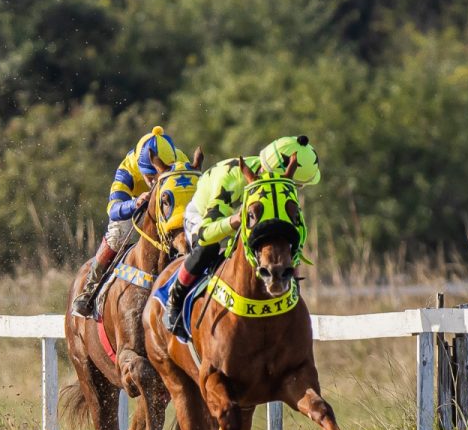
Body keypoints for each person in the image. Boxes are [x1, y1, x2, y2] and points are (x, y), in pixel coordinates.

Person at [162, 135, 320, 335]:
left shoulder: (278, 184)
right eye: (297, 185)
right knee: (209, 248)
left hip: (247, 219)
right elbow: (205, 233)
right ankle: (175, 298)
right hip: (204, 218)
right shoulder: (229, 180)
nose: (293, 190)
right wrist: (236, 220)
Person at [72, 126, 190, 318]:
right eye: (151, 177)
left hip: (169, 207)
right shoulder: (128, 169)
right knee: (117, 234)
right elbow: (113, 209)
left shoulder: (181, 160)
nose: (155, 182)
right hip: (134, 207)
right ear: (141, 169)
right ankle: (90, 288)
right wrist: (136, 203)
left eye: (160, 175)